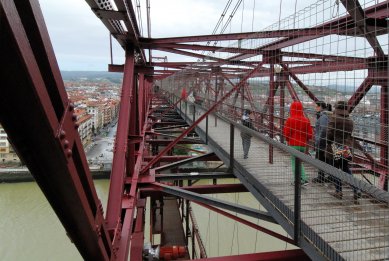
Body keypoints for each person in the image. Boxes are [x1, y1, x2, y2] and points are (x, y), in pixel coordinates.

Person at [326, 101, 361, 203]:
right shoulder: (350, 121)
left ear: (337, 108)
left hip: (335, 146)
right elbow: (349, 135)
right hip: (345, 147)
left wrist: (328, 143)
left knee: (335, 169)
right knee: (346, 168)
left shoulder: (334, 118)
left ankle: (338, 191)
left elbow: (329, 133)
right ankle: (356, 189)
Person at [283, 101, 313, 185]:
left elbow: (286, 133)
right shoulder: (306, 120)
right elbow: (310, 135)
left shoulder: (290, 119)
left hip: (293, 144)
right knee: (299, 162)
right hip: (303, 145)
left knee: (294, 162)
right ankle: (303, 179)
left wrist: (287, 139)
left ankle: (299, 180)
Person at [312, 101, 331, 183]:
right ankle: (324, 176)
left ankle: (321, 177)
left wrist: (319, 140)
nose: (315, 108)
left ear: (320, 107)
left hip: (322, 143)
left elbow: (323, 129)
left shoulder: (323, 117)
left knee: (321, 159)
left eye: (316, 106)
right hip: (324, 142)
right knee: (324, 160)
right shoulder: (324, 115)